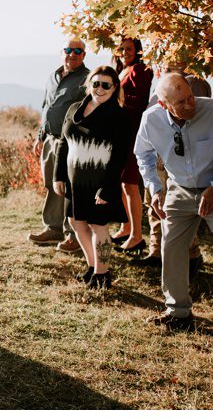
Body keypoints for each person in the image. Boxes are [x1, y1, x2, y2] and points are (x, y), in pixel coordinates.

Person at [134, 74, 213, 350]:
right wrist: (155, 188)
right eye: (181, 102)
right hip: (180, 189)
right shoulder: (151, 120)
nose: (190, 104)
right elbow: (143, 155)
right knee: (171, 245)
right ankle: (178, 313)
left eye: (190, 97)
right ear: (164, 105)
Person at [53, 66, 135, 288]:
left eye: (106, 85)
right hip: (73, 178)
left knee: (98, 226)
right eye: (96, 83)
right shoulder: (73, 109)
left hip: (100, 180)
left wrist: (108, 187)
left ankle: (103, 274)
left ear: (114, 88)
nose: (100, 88)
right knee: (76, 222)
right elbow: (63, 142)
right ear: (89, 84)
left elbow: (120, 157)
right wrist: (58, 176)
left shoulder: (119, 117)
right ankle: (92, 266)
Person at [30, 38, 90, 253]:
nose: (71, 54)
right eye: (68, 50)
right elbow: (46, 106)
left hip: (71, 143)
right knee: (51, 184)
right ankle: (53, 228)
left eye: (77, 51)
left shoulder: (86, 79)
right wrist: (40, 136)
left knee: (70, 187)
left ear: (83, 55)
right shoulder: (53, 76)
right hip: (49, 139)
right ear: (62, 52)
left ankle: (72, 234)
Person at [111, 38, 154, 254]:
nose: (125, 52)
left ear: (137, 50)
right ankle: (125, 227)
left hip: (132, 132)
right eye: (122, 48)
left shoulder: (140, 69)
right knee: (120, 183)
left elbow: (140, 101)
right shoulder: (121, 69)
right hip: (119, 132)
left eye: (129, 48)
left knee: (130, 184)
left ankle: (137, 235)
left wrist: (117, 103)